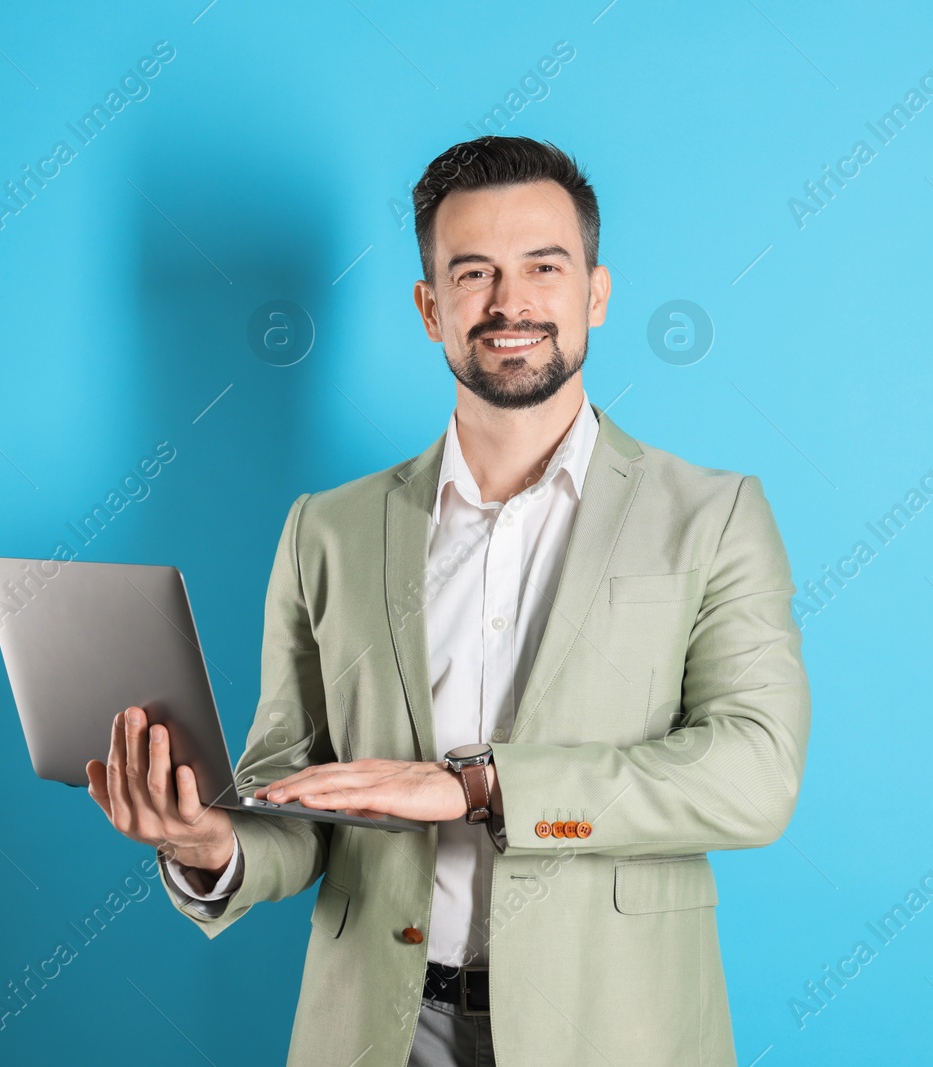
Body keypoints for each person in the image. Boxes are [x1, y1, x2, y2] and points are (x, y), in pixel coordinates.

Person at [86, 135, 811, 1066]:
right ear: (431, 308)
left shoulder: (713, 516)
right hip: (381, 1032)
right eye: (474, 273)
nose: (511, 303)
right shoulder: (327, 530)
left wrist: (476, 786)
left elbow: (754, 774)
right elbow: (299, 799)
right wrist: (208, 840)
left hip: (617, 1025)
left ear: (595, 291)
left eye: (543, 267)